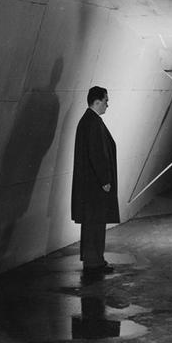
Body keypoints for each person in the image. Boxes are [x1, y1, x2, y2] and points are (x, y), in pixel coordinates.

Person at [72, 85, 119, 273]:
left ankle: (94, 260)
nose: (108, 104)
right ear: (97, 101)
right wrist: (105, 180)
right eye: (106, 100)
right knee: (95, 224)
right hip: (95, 187)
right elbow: (97, 154)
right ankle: (94, 262)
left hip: (90, 186)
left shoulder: (89, 120)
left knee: (92, 224)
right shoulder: (92, 122)